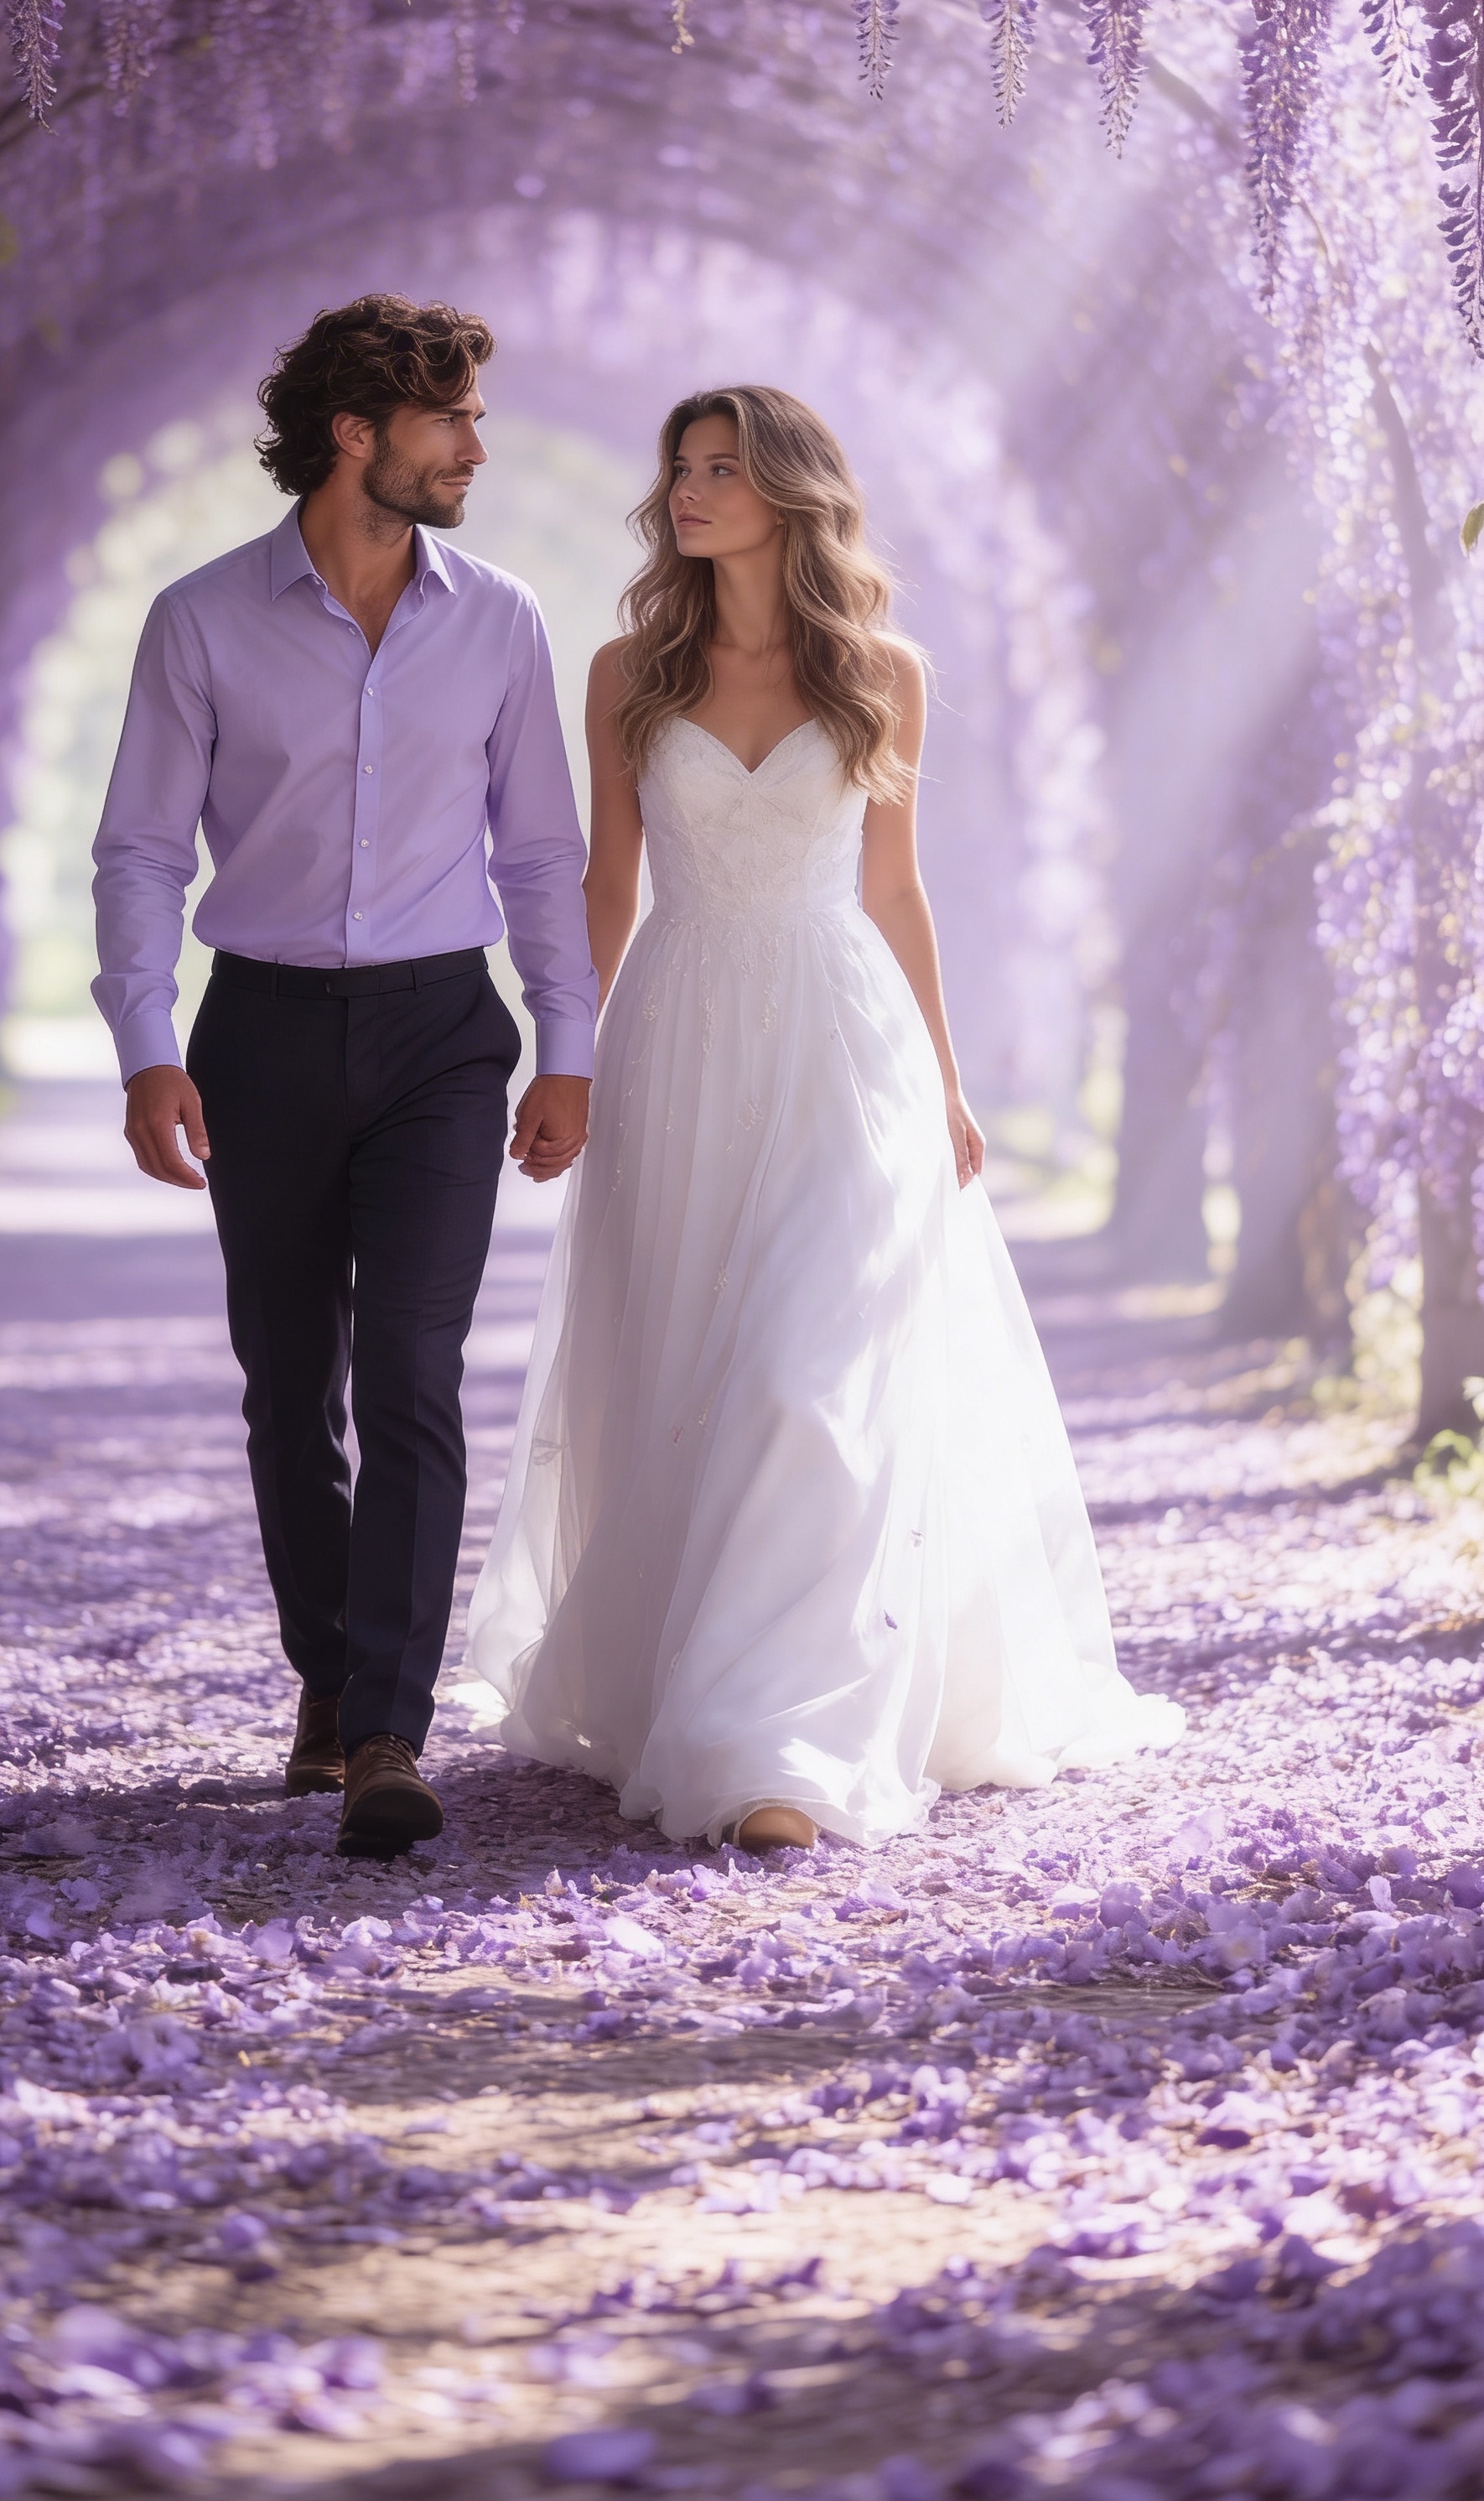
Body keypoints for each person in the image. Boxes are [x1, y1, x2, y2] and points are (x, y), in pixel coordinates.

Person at [467, 386, 1179, 1849]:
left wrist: (952, 1076)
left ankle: (778, 1741)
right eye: (682, 468)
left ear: (791, 491)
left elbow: (896, 889)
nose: (692, 491)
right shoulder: (624, 673)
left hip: (845, 1043)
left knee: (812, 1373)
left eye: (724, 469)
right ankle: (701, 1682)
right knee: (690, 1365)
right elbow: (607, 888)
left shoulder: (880, 672)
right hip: (678, 1035)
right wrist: (568, 1059)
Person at [93, 295, 594, 1861]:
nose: (475, 449)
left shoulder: (502, 617)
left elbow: (539, 854)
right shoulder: (201, 619)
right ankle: (327, 1678)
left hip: (445, 1035)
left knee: (417, 1372)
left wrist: (568, 1043)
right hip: (264, 1030)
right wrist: (147, 1047)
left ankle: (387, 1725)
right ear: (354, 434)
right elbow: (139, 851)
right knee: (290, 1384)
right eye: (449, 420)